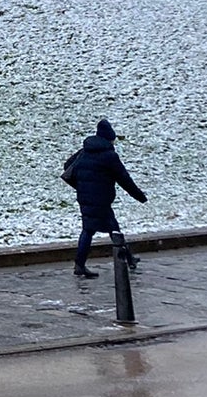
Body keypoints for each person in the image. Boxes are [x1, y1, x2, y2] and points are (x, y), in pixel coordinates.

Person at [62, 117, 146, 279]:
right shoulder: (109, 156)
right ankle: (125, 259)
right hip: (101, 200)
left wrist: (81, 185)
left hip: (85, 198)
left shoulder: (85, 151)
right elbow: (124, 179)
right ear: (109, 138)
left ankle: (127, 259)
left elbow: (68, 167)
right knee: (110, 230)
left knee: (91, 229)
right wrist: (140, 196)